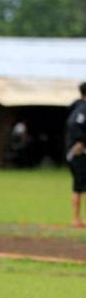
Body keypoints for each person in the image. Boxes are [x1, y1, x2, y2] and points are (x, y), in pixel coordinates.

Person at [65, 82, 86, 228]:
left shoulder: (77, 106)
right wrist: (80, 141)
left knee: (79, 185)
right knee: (80, 185)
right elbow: (74, 125)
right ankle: (77, 219)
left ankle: (78, 219)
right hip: (79, 152)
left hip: (78, 152)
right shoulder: (82, 109)